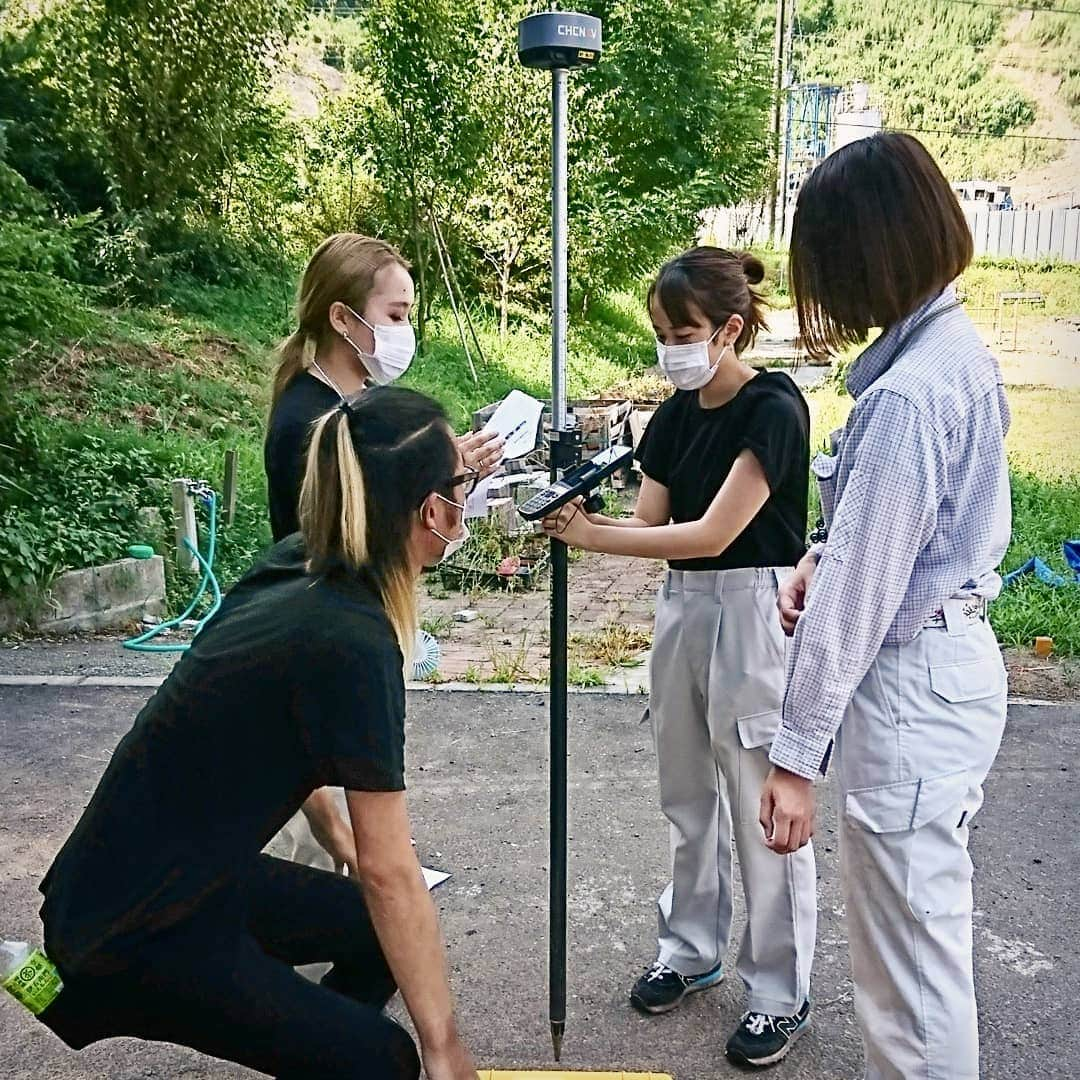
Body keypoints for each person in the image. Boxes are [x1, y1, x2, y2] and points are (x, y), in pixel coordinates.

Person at [35, 387, 480, 1080]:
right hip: (135, 928)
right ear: (432, 508)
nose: (466, 501)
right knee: (388, 1060)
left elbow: (265, 725)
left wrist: (337, 843)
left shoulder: (298, 563)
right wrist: (445, 1048)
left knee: (373, 939)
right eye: (462, 486)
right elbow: (393, 872)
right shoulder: (354, 640)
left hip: (138, 879)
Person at [760, 133, 1012, 1079]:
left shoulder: (908, 396)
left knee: (908, 983)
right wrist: (825, 554)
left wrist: (794, 759)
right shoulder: (957, 351)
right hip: (945, 670)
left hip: (909, 688)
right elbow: (903, 541)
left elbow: (863, 601)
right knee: (919, 953)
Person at [542, 247, 817, 1068]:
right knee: (686, 795)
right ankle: (692, 947)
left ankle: (779, 991)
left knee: (758, 805)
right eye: (662, 334)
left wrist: (598, 536)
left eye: (685, 332)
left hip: (755, 605)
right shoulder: (671, 415)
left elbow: (712, 533)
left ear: (730, 329)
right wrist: (579, 513)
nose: (673, 349)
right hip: (684, 608)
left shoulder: (774, 406)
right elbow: (650, 521)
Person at [263, 232, 500, 874]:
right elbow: (362, 540)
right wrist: (442, 485)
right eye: (395, 316)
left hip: (338, 640)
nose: (406, 332)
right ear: (343, 318)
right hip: (318, 652)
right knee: (313, 861)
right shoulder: (314, 423)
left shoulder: (350, 410)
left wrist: (450, 481)